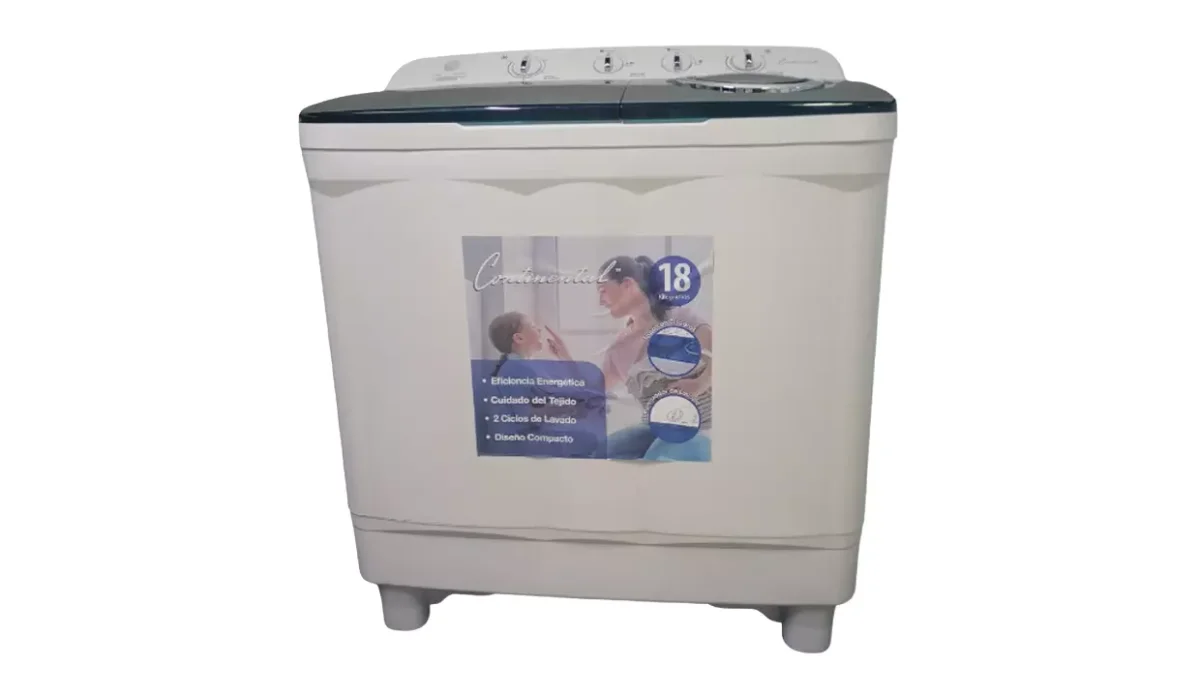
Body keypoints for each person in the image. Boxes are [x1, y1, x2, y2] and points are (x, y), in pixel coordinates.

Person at [545, 255, 713, 461]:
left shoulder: (681, 319)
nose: (600, 301)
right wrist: (565, 358)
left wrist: (700, 383)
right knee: (597, 455)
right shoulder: (619, 347)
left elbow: (720, 356)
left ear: (627, 285)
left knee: (655, 459)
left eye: (603, 291)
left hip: (699, 426)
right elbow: (594, 391)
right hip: (654, 426)